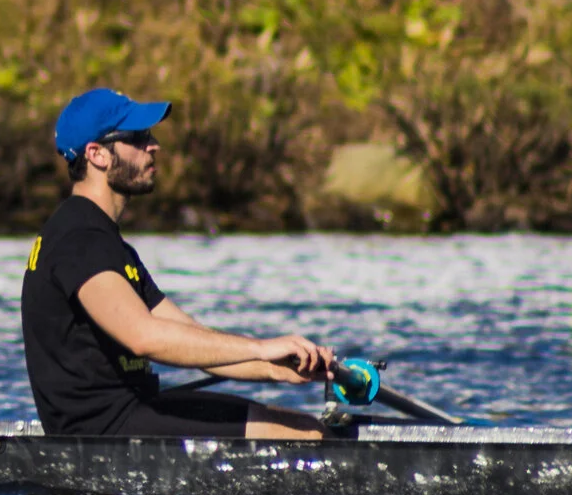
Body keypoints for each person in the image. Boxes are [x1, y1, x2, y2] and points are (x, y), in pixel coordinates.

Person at [20, 88, 336, 439]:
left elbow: (190, 336)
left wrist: (274, 368)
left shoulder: (105, 241)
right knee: (305, 435)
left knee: (302, 427)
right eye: (138, 138)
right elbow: (144, 337)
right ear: (97, 155)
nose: (154, 146)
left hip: (133, 414)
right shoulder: (79, 238)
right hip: (104, 432)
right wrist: (261, 348)